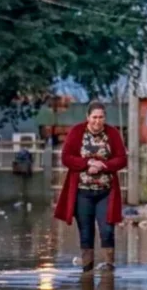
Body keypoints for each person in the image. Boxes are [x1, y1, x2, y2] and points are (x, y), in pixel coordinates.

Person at [54, 101, 127, 272]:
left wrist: (103, 165)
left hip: (106, 192)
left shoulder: (113, 134)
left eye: (101, 117)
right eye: (94, 117)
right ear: (88, 117)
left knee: (107, 229)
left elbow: (122, 159)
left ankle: (109, 265)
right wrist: (87, 163)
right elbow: (66, 158)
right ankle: (87, 266)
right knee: (86, 231)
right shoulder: (76, 132)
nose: (97, 121)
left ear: (105, 118)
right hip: (82, 192)